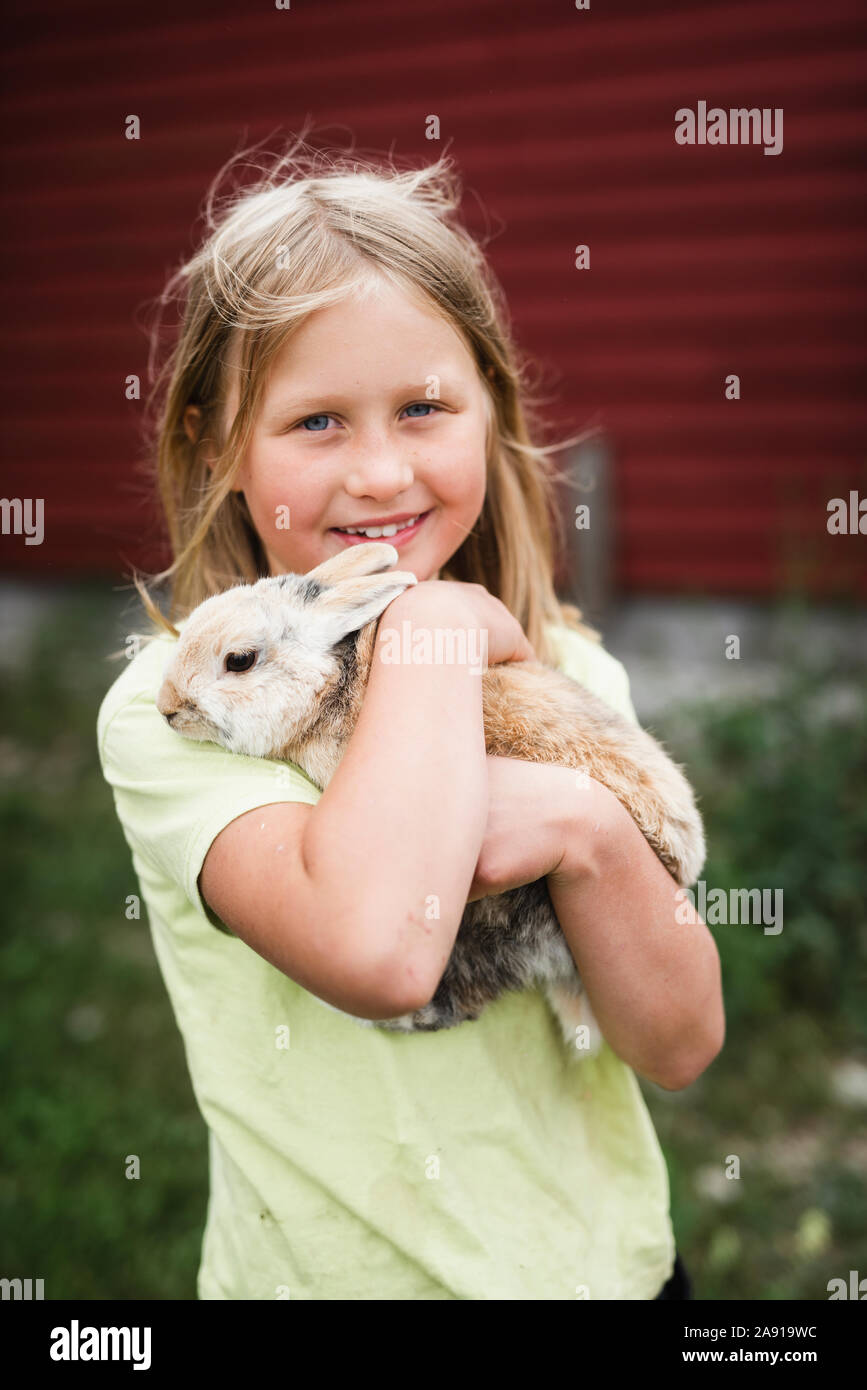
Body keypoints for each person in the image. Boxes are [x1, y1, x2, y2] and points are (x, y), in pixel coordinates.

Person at [97, 139, 723, 1300]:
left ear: (490, 410)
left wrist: (582, 823)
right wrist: (434, 628)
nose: (382, 474)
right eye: (318, 422)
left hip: (603, 1275)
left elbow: (679, 1043)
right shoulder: (177, 712)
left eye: (425, 407)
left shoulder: (568, 670)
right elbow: (386, 946)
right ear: (214, 446)